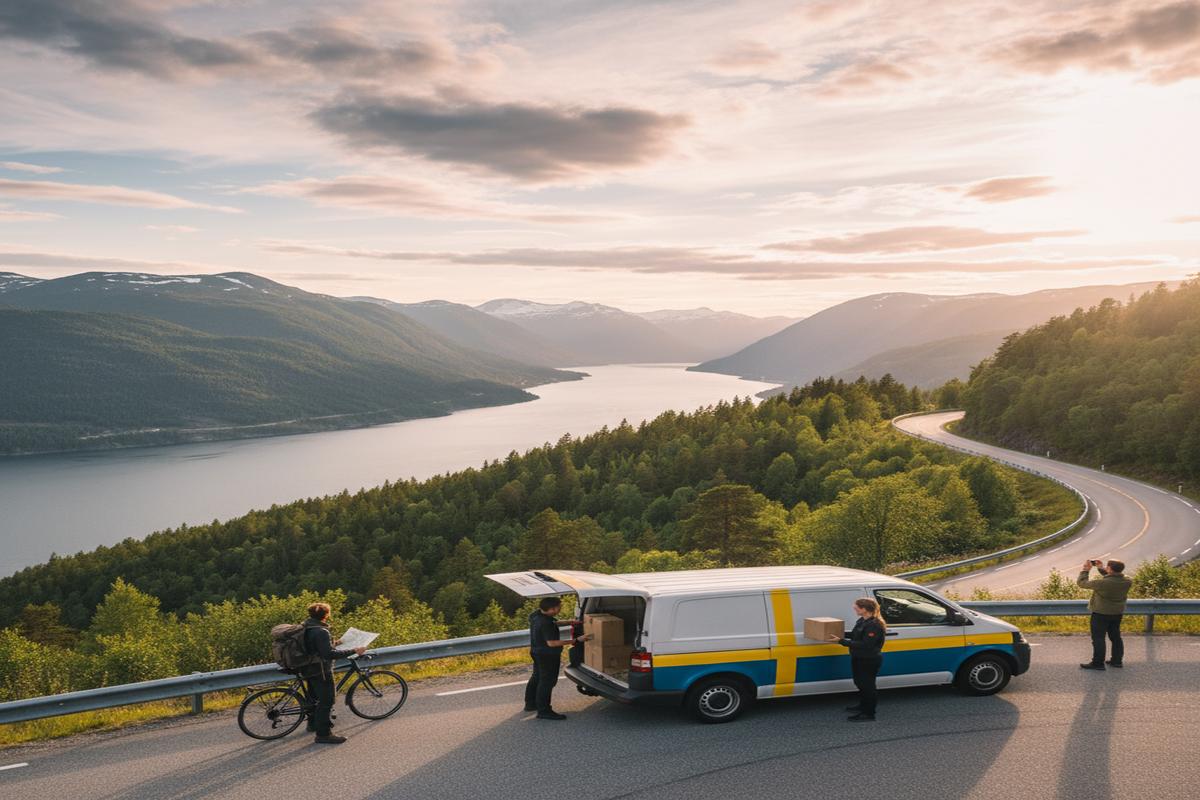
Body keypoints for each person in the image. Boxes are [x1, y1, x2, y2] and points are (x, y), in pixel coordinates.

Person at [301, 602, 366, 744]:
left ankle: (312, 724)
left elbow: (316, 646)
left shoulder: (307, 626)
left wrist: (337, 642)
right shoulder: (321, 631)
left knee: (314, 699)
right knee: (327, 701)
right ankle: (323, 734)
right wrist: (354, 650)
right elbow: (328, 654)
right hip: (321, 670)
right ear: (326, 615)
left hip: (308, 668)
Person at [524, 597, 588, 720]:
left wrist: (570, 622)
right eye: (559, 607)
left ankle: (530, 704)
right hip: (548, 655)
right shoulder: (546, 623)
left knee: (537, 676)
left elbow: (554, 622)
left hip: (536, 651)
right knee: (547, 682)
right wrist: (576, 640)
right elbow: (552, 643)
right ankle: (544, 711)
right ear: (552, 609)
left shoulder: (535, 615)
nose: (560, 608)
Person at [828, 597, 886, 722]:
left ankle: (869, 713)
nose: (854, 609)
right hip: (858, 657)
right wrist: (839, 633)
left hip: (869, 660)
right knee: (859, 683)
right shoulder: (862, 620)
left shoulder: (874, 625)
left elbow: (866, 644)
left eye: (856, 608)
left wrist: (841, 641)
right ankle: (863, 706)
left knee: (868, 686)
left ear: (864, 609)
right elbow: (855, 635)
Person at [1077, 559, 1132, 670]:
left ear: (1110, 569)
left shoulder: (1101, 583)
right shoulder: (1127, 581)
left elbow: (1082, 583)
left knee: (1098, 638)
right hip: (1117, 613)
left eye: (1107, 567)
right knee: (1115, 637)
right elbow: (1113, 578)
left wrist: (1085, 570)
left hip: (1101, 614)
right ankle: (1117, 661)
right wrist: (1101, 569)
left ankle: (1098, 663)